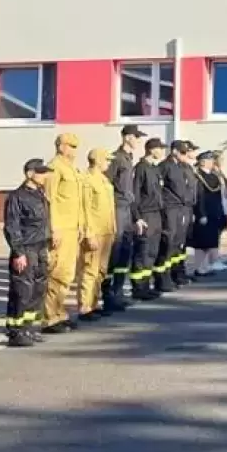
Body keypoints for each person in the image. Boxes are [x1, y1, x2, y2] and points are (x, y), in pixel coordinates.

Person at [2, 159, 53, 348]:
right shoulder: (17, 197)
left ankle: (29, 328)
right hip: (26, 249)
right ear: (30, 174)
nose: (45, 176)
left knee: (38, 290)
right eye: (41, 172)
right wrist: (18, 252)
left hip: (40, 248)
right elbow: (12, 226)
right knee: (22, 291)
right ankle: (16, 331)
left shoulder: (40, 194)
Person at [43, 133, 84, 335]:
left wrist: (81, 225)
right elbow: (49, 200)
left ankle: (60, 313)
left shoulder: (72, 169)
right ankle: (50, 317)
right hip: (61, 229)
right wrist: (54, 228)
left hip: (73, 228)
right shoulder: (54, 168)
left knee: (67, 275)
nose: (74, 151)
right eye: (71, 146)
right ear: (61, 146)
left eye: (76, 147)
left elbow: (77, 200)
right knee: (57, 273)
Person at [103, 124, 145, 312]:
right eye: (136, 137)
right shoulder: (116, 159)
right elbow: (106, 185)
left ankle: (118, 293)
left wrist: (136, 217)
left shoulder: (129, 159)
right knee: (115, 252)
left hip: (127, 210)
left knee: (124, 253)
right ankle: (108, 296)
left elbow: (130, 192)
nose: (138, 141)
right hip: (117, 209)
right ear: (127, 137)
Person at [78, 148, 117, 323]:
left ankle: (93, 303)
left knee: (101, 271)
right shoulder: (87, 180)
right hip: (95, 232)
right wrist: (88, 233)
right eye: (106, 160)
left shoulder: (104, 179)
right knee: (90, 271)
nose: (109, 163)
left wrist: (113, 229)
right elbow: (85, 208)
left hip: (106, 231)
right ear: (98, 160)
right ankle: (85, 307)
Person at [129, 138, 166, 301]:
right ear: (151, 150)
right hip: (145, 214)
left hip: (156, 214)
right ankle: (138, 287)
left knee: (152, 252)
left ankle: (146, 285)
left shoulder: (154, 168)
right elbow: (134, 195)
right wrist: (137, 217)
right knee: (142, 252)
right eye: (160, 148)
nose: (162, 152)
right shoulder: (141, 168)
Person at [159, 140, 197, 292]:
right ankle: (164, 277)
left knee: (179, 243)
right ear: (174, 151)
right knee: (169, 242)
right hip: (170, 208)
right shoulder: (164, 166)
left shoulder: (183, 167)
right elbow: (159, 189)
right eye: (182, 152)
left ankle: (177, 274)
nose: (185, 155)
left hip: (183, 208)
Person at [190, 151, 227, 277]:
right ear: (203, 162)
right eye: (210, 160)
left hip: (214, 213)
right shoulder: (197, 176)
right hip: (204, 213)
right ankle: (199, 268)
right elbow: (198, 197)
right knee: (201, 243)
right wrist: (201, 214)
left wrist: (221, 213)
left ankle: (205, 267)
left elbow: (218, 197)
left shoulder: (214, 176)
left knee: (210, 242)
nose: (212, 162)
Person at [208, 151, 227, 273]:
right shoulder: (213, 173)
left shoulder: (220, 173)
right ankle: (212, 261)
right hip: (217, 207)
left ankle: (215, 258)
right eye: (220, 159)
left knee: (218, 235)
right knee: (213, 235)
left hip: (224, 206)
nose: (223, 161)